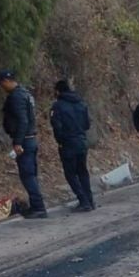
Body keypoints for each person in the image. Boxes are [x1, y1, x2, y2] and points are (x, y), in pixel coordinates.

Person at [0, 69, 47, 219]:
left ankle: (38, 208)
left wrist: (18, 142)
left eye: (1, 84)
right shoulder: (26, 93)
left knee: (27, 175)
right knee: (31, 175)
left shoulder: (16, 97)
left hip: (25, 141)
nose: (1, 87)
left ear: (6, 81)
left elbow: (23, 120)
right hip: (30, 139)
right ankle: (37, 206)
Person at [50, 80, 95, 212]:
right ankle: (90, 200)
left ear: (58, 91)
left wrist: (60, 140)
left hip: (68, 143)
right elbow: (87, 124)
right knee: (83, 172)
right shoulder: (81, 103)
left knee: (70, 174)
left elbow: (57, 127)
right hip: (82, 141)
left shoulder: (57, 106)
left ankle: (83, 200)